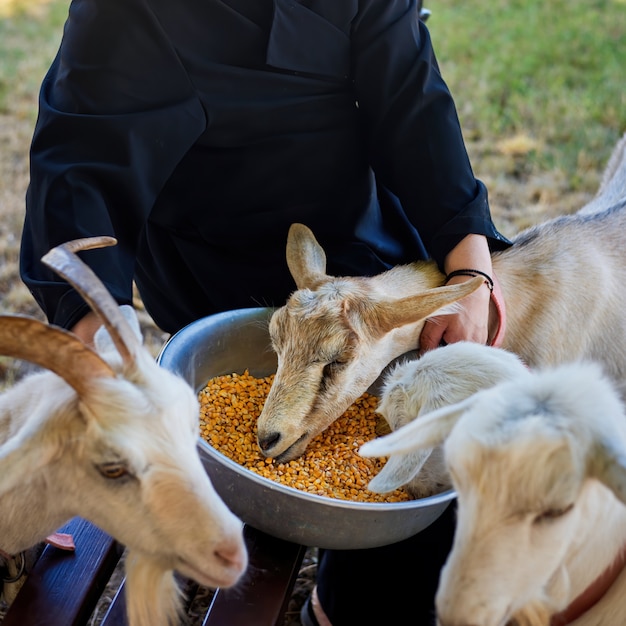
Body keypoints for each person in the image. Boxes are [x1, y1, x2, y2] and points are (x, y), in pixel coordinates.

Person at [20, 1, 511, 623]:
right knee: (267, 431)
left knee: (426, 444)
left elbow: (412, 102)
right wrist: (99, 330)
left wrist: (471, 265)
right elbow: (79, 165)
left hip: (355, 234)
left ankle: (342, 608)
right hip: (212, 263)